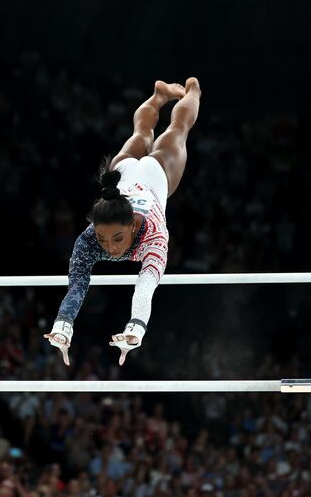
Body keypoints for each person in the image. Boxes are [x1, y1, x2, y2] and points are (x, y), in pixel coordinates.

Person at [44, 77, 202, 366]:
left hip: (157, 174)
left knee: (177, 130)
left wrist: (136, 327)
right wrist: (62, 326)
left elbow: (145, 286)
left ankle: (193, 90)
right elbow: (77, 284)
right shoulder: (89, 238)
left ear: (132, 227)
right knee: (142, 131)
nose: (110, 248)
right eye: (103, 239)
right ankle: (158, 96)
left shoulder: (155, 236)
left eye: (117, 239)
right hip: (125, 174)